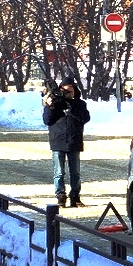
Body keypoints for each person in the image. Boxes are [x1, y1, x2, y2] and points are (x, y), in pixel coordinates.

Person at [42, 76, 91, 208]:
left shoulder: (80, 104)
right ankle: (60, 196)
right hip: (58, 142)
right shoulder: (55, 104)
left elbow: (85, 118)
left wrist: (71, 107)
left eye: (71, 90)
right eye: (66, 91)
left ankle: (75, 197)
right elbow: (47, 121)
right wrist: (50, 106)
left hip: (74, 142)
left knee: (75, 173)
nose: (70, 93)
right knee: (59, 172)